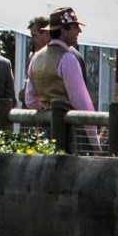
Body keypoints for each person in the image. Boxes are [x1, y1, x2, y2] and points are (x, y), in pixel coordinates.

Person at [28, 9, 97, 149]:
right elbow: (82, 102)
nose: (79, 31)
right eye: (74, 27)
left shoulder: (36, 58)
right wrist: (94, 140)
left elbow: (30, 100)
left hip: (46, 133)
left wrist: (47, 110)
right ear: (63, 31)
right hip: (70, 135)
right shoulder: (68, 59)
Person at [19, 16, 51, 108]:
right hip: (31, 114)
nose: (32, 40)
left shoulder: (56, 57)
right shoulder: (32, 56)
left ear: (46, 34)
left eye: (34, 35)